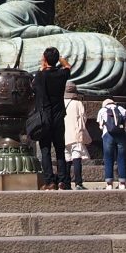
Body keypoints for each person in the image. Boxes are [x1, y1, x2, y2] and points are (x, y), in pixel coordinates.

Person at [31, 47, 71, 190]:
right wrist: (60, 58)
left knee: (45, 149)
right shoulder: (61, 74)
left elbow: (33, 87)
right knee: (60, 149)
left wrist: (42, 67)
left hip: (44, 117)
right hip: (59, 115)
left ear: (45, 59)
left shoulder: (40, 76)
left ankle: (49, 181)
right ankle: (62, 180)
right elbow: (68, 67)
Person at [62, 81, 91, 190]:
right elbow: (83, 118)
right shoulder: (78, 103)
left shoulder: (61, 102)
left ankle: (66, 182)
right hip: (75, 133)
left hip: (63, 134)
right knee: (76, 158)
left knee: (67, 159)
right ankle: (78, 183)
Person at [96, 98, 126, 189]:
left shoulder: (102, 110)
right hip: (121, 135)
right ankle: (122, 183)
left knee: (108, 158)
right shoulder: (122, 109)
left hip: (108, 135)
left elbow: (100, 126)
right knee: (121, 158)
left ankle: (109, 183)